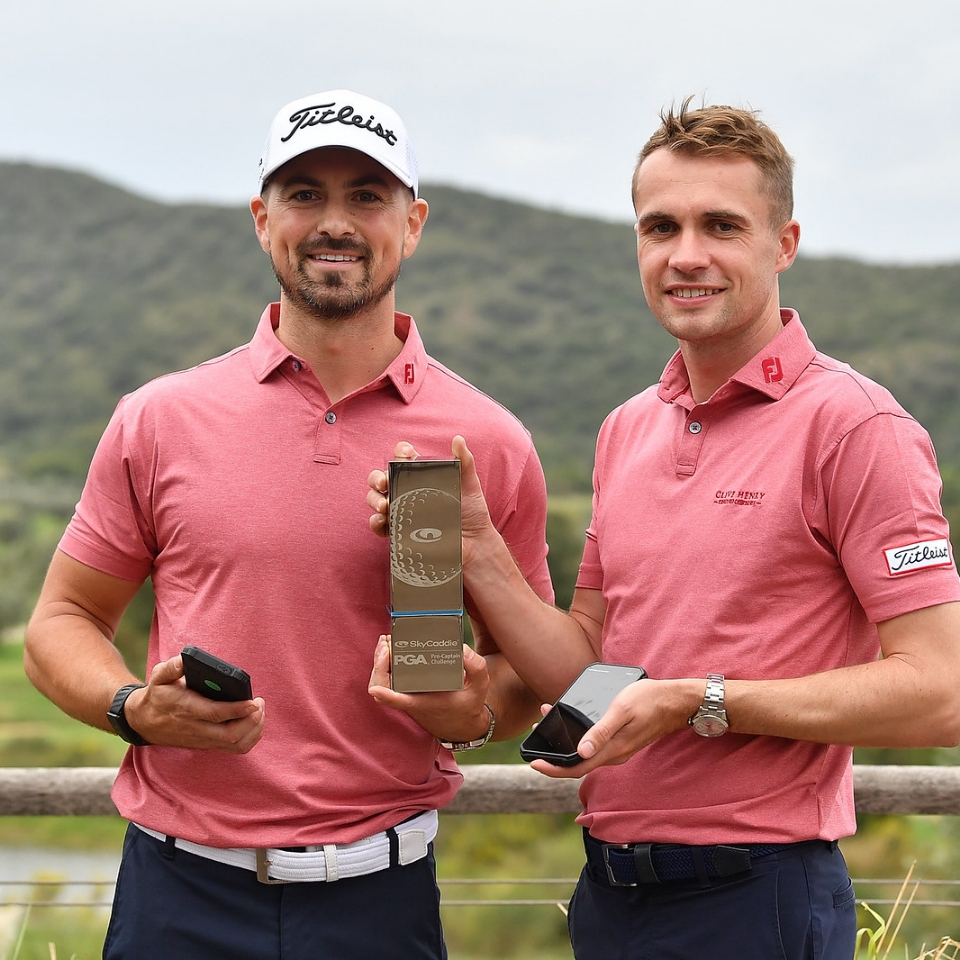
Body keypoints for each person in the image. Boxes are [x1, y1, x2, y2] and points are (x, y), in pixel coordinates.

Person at [368, 99, 960, 959]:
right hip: (610, 895)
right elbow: (591, 670)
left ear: (783, 244)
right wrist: (478, 551)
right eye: (661, 227)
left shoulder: (856, 426)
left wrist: (700, 701)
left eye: (722, 225)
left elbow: (941, 692)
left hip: (759, 895)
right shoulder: (626, 429)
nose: (687, 255)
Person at [23, 89, 553, 960]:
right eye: (305, 194)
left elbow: (529, 674)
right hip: (177, 895)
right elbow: (60, 624)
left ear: (412, 224)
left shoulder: (487, 441)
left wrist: (472, 711)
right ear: (262, 219)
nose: (334, 221)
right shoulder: (158, 418)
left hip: (382, 902)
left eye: (366, 196)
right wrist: (132, 709)